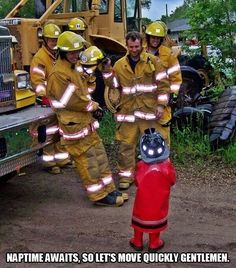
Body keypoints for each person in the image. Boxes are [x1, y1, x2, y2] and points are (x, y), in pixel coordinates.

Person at [47, 31, 127, 206]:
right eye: (71, 52)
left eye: (77, 52)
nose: (76, 55)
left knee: (100, 155)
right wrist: (94, 107)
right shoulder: (58, 74)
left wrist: (100, 66)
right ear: (62, 52)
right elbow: (71, 100)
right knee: (88, 161)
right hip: (73, 125)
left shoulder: (72, 67)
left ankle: (110, 189)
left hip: (85, 122)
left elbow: (83, 86)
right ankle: (99, 196)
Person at [102, 31, 170, 190]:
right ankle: (126, 177)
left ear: (142, 45)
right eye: (131, 46)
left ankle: (157, 175)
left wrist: (161, 105)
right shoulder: (119, 65)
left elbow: (164, 86)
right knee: (126, 146)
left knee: (155, 144)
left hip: (149, 112)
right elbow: (113, 85)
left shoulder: (153, 62)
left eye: (137, 46)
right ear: (127, 45)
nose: (134, 49)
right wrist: (106, 71)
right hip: (128, 113)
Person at [30, 23, 72, 174]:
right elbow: (37, 81)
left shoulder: (59, 56)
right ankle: (49, 162)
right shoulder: (40, 58)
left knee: (60, 131)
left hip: (61, 100)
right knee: (49, 131)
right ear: (45, 40)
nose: (54, 43)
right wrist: (43, 97)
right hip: (48, 102)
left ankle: (62, 159)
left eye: (56, 39)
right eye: (52, 40)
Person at [130, 128, 176, 252]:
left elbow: (137, 182)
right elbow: (172, 180)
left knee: (140, 219)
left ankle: (137, 241)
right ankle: (154, 243)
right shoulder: (167, 166)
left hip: (142, 202)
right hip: (159, 202)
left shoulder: (141, 165)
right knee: (156, 220)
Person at [145, 21, 182, 146]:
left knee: (163, 129)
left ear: (161, 39)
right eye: (153, 37)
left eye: (158, 38)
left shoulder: (168, 54)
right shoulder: (140, 52)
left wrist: (170, 96)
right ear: (148, 37)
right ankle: (145, 158)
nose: (155, 40)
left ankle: (164, 159)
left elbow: (176, 78)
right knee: (145, 131)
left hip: (163, 99)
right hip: (144, 100)